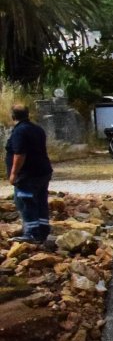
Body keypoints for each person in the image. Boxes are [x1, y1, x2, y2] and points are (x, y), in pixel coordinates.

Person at [5, 103, 52, 244]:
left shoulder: (20, 131)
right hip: (43, 172)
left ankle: (31, 233)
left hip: (27, 174)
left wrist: (13, 173)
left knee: (26, 201)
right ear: (28, 114)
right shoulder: (37, 129)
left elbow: (20, 154)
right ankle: (43, 230)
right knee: (40, 201)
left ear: (13, 116)